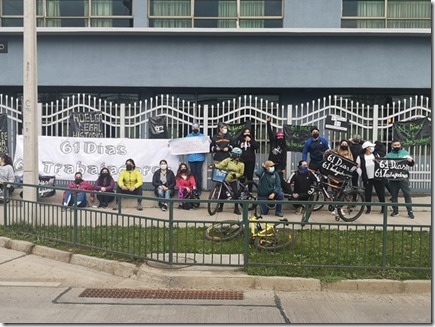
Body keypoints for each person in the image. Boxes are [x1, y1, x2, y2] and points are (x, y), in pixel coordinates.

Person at [385, 140, 415, 219]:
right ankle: (395, 211)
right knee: (394, 195)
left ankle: (410, 211)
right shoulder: (389, 155)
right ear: (392, 146)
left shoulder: (405, 153)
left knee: (407, 194)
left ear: (400, 145)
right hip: (393, 179)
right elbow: (383, 164)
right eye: (395, 145)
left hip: (403, 178)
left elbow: (411, 164)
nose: (397, 146)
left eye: (398, 145)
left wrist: (410, 160)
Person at [356, 141, 386, 214]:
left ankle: (383, 208)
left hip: (377, 177)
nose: (372, 148)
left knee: (380, 193)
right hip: (367, 178)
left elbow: (382, 163)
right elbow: (358, 167)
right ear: (367, 148)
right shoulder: (361, 157)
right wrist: (362, 174)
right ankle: (368, 208)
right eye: (371, 147)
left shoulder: (376, 155)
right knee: (368, 193)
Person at [214, 147, 245, 215]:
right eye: (232, 153)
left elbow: (241, 173)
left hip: (233, 179)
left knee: (236, 193)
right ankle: (220, 207)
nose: (232, 155)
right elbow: (221, 165)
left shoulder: (241, 164)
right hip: (225, 179)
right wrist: (215, 165)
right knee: (222, 194)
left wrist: (235, 175)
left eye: (234, 154)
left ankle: (236, 208)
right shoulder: (228, 160)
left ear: (238, 155)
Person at [186, 122, 206, 196]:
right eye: (193, 127)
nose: (195, 128)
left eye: (196, 127)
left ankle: (199, 188)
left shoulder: (202, 136)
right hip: (191, 158)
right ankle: (193, 188)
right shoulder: (188, 136)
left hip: (200, 158)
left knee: (198, 174)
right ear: (192, 128)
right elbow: (183, 145)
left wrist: (208, 142)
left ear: (199, 128)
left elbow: (206, 145)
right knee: (193, 174)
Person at [266, 118, 287, 184]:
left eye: (281, 137)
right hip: (271, 164)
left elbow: (284, 157)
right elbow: (270, 133)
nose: (280, 138)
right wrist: (268, 123)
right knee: (269, 178)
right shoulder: (273, 142)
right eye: (278, 136)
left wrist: (283, 167)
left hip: (279, 165)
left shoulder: (284, 146)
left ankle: (285, 192)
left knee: (279, 179)